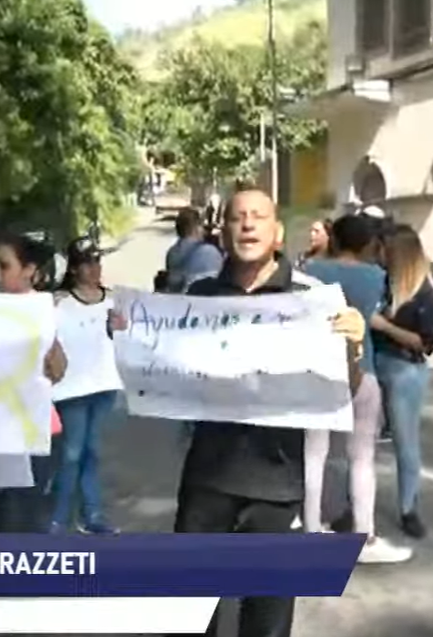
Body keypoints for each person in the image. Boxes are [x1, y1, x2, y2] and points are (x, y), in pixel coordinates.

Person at [159, 190, 366, 637]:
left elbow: (343, 390)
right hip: (207, 481)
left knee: (268, 624)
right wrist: (135, 338)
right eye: (238, 217)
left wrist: (351, 350)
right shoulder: (200, 295)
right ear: (225, 231)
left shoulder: (313, 298)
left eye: (258, 217)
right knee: (192, 616)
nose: (247, 225)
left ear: (276, 233)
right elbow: (167, 374)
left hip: (277, 488)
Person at [300, 215, 412, 563]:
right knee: (362, 457)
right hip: (362, 370)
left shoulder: (310, 271)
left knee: (313, 454)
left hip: (317, 368)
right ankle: (365, 536)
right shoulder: (376, 276)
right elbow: (375, 315)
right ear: (367, 244)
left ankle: (311, 529)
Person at [0, 232, 68, 533]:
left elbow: (59, 368)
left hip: (34, 434)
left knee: (21, 519)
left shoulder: (43, 311)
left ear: (29, 271)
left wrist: (53, 362)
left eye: (4, 266)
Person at [49, 236, 124, 535]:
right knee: (71, 453)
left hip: (104, 385)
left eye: (96, 261)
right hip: (71, 389)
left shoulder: (113, 300)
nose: (93, 269)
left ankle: (91, 514)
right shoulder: (59, 303)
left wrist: (120, 327)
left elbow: (128, 338)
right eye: (86, 263)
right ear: (74, 268)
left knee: (91, 450)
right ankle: (59, 516)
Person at [372, 225, 433, 539]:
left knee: (405, 444)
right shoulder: (381, 282)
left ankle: (408, 509)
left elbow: (423, 343)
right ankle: (354, 508)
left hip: (404, 371)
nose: (379, 253)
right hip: (374, 366)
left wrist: (383, 326)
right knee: (361, 441)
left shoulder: (423, 293)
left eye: (384, 248)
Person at [160, 207, 224, 293]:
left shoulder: (172, 252)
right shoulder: (208, 252)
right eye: (202, 226)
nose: (204, 230)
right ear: (196, 228)